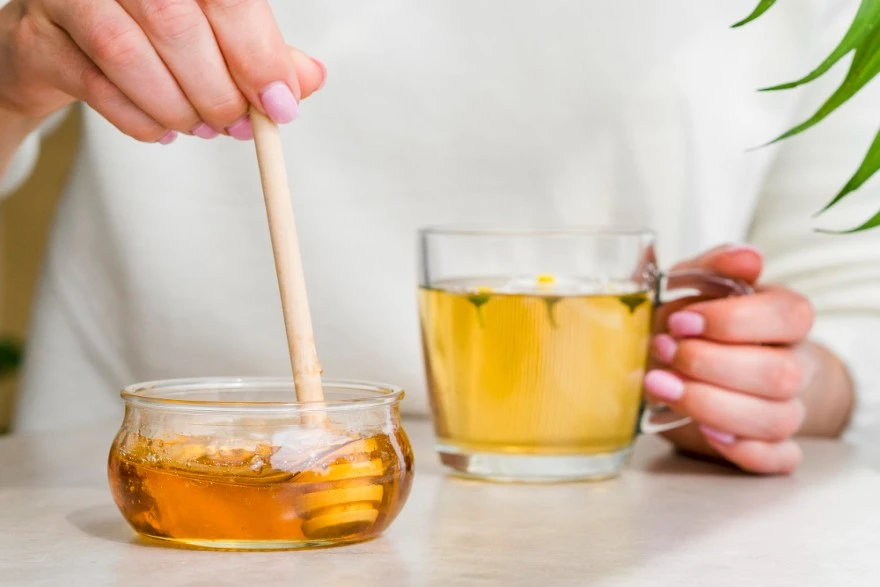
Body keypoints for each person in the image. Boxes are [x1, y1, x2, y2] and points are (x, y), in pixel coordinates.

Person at [0, 0, 877, 475]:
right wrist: (12, 81)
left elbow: (853, 306)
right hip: (126, 509)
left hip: (623, 533)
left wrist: (768, 378)